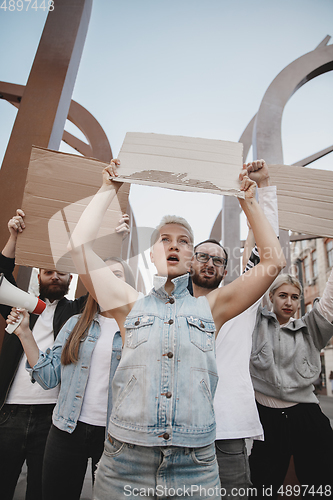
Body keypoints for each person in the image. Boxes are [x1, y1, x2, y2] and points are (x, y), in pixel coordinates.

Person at [66, 158, 285, 500]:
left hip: (195, 464)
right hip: (125, 463)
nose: (173, 244)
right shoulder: (128, 304)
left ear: (190, 258)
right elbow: (78, 246)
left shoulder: (213, 308)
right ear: (152, 255)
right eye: (164, 239)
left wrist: (249, 201)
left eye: (183, 241)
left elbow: (273, 262)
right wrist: (107, 189)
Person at [0, 209, 128, 500]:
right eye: (48, 271)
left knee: (41, 490)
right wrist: (14, 237)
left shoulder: (76, 312)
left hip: (53, 415)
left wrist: (113, 241)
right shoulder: (22, 306)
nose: (55, 276)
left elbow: (103, 278)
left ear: (73, 277)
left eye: (62, 272)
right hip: (10, 411)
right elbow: (2, 275)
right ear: (38, 275)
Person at [189, 160, 279, 500]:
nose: (210, 263)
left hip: (227, 433)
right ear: (191, 263)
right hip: (175, 434)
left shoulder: (240, 307)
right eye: (203, 256)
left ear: (227, 270)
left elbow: (267, 253)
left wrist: (263, 191)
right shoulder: (168, 308)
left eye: (218, 259)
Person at [249, 271, 333, 499]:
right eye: (283, 295)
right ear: (271, 297)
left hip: (306, 415)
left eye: (295, 297)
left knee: (321, 482)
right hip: (267, 419)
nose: (289, 302)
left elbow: (329, 303)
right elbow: (249, 285)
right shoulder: (254, 325)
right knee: (261, 485)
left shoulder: (311, 328)